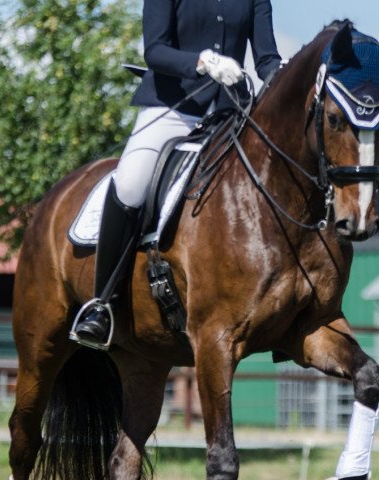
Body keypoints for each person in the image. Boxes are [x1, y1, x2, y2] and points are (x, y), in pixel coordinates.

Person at [72, 0, 281, 347]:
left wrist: (287, 74)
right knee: (130, 184)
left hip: (232, 111)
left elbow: (266, 58)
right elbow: (154, 50)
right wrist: (202, 62)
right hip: (173, 106)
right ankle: (103, 304)